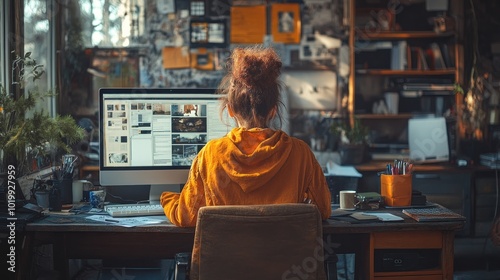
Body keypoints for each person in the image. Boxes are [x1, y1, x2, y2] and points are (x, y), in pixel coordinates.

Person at [160, 45, 331, 227]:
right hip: (283, 255)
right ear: (273, 111)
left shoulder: (210, 155)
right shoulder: (300, 153)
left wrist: (166, 198)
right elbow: (324, 210)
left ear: (231, 110)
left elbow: (186, 217)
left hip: (225, 256)